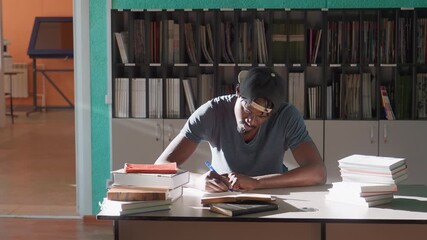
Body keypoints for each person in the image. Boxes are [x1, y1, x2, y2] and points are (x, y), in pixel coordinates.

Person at [155, 67, 326, 192]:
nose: (252, 120)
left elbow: (318, 173)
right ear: (237, 91)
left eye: (262, 116)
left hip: (273, 198)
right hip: (222, 198)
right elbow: (160, 167)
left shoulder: (286, 116)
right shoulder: (212, 112)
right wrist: (196, 181)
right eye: (248, 110)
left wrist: (256, 183)